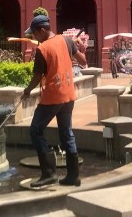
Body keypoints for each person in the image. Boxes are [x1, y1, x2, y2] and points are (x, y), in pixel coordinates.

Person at [22, 14, 87, 188]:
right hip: (69, 95)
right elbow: (83, 60)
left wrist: (27, 91)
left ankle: (49, 174)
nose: (34, 37)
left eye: (35, 34)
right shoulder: (66, 40)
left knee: (36, 130)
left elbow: (37, 77)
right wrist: (78, 47)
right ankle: (73, 176)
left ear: (42, 30)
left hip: (53, 96)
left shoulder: (42, 49)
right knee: (66, 133)